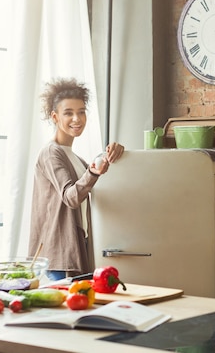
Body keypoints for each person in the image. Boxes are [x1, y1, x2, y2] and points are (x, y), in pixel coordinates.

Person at [29, 77, 124, 281]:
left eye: (81, 112)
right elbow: (71, 197)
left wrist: (115, 152)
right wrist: (94, 172)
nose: (77, 119)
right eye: (68, 113)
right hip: (59, 256)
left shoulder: (74, 157)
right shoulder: (50, 153)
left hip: (75, 252)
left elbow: (92, 180)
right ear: (55, 117)